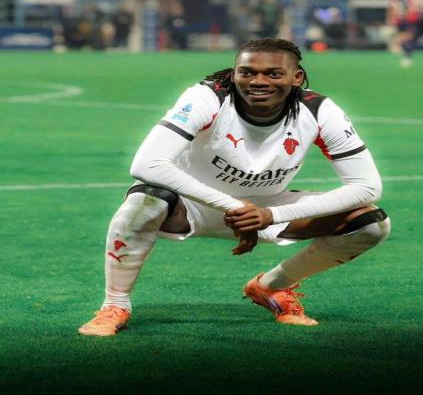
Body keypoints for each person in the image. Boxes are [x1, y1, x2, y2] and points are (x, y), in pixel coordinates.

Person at [78, 38, 391, 336]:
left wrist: (271, 215)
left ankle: (271, 286)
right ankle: (114, 305)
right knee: (145, 200)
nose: (258, 81)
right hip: (190, 206)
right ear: (234, 73)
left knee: (371, 224)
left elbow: (367, 186)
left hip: (269, 209)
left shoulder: (319, 110)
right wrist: (237, 208)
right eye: (247, 72)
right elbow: (146, 165)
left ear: (296, 78)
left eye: (273, 74)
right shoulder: (208, 97)